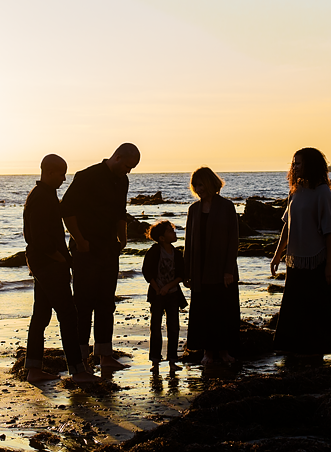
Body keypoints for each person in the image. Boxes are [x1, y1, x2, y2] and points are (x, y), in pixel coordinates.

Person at [61, 143, 140, 369]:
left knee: (106, 303)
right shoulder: (87, 176)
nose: (129, 171)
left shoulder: (122, 180)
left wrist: (122, 238)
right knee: (83, 304)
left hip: (108, 249)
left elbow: (119, 212)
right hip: (85, 249)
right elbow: (66, 209)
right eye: (127, 166)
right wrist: (79, 240)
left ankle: (105, 355)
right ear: (116, 157)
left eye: (132, 168)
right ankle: (81, 359)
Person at [23, 154, 98, 383]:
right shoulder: (42, 198)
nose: (64, 179)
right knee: (68, 315)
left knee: (41, 316)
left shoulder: (44, 195)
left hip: (44, 264)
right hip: (49, 265)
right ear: (49, 172)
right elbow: (37, 238)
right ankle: (77, 370)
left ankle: (34, 369)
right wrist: (59, 258)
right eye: (61, 174)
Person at [269, 147, 331, 356]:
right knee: (295, 308)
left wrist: (330, 264)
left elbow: (330, 231)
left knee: (316, 309)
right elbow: (287, 226)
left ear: (310, 165)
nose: (294, 167)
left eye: (298, 163)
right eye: (293, 163)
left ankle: (316, 350)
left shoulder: (322, 192)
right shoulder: (295, 191)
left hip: (317, 261)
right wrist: (277, 255)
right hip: (295, 261)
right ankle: (294, 348)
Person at [184, 166, 240, 365]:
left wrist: (228, 270)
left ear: (211, 183)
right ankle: (207, 352)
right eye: (195, 185)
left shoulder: (226, 207)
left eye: (201, 184)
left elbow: (233, 240)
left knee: (224, 312)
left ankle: (224, 352)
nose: (199, 189)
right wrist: (187, 272)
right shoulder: (193, 209)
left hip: (222, 270)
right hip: (199, 271)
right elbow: (188, 243)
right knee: (204, 313)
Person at [142, 220, 186, 369]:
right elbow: (147, 272)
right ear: (161, 238)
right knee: (155, 326)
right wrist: (158, 288)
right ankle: (155, 360)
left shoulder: (177, 253)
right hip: (157, 294)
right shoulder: (154, 251)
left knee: (173, 327)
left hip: (173, 294)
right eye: (170, 231)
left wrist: (168, 287)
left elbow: (181, 274)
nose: (174, 233)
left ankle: (172, 360)